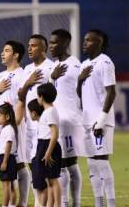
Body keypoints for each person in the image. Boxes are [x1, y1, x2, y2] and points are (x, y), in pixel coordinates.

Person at [77, 29, 116, 207]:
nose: (85, 43)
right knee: (91, 164)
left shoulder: (105, 63)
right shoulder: (84, 64)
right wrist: (79, 80)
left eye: (89, 41)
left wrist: (101, 119)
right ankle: (98, 202)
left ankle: (111, 203)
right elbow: (81, 95)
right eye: (84, 40)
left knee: (101, 162)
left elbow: (111, 92)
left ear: (99, 42)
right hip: (86, 121)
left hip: (99, 122)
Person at [0, 40, 29, 207]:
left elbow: (22, 100)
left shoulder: (22, 74)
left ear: (16, 54)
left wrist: (16, 123)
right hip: (0, 127)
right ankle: (10, 202)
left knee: (19, 163)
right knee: (6, 164)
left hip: (14, 126)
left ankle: (23, 202)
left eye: (6, 50)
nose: (2, 53)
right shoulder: (0, 75)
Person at [18, 34, 53, 207]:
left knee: (47, 165)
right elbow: (20, 96)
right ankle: (39, 202)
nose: (30, 49)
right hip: (29, 126)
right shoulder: (26, 69)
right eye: (29, 45)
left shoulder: (51, 68)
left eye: (34, 45)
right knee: (33, 165)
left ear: (43, 48)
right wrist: (27, 83)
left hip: (45, 126)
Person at [48, 29, 83, 207]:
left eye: (54, 43)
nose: (51, 46)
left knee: (65, 163)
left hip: (70, 121)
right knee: (66, 163)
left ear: (65, 43)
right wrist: (51, 78)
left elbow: (82, 92)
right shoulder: (55, 66)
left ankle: (69, 203)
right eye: (50, 42)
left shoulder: (74, 65)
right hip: (58, 121)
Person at [29, 83, 62, 207]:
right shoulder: (48, 111)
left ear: (41, 97)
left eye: (38, 96)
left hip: (48, 146)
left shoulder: (50, 112)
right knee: (49, 179)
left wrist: (48, 153)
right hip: (44, 145)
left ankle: (57, 205)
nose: (38, 99)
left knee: (53, 179)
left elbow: (54, 134)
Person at [0, 103, 19, 207]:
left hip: (6, 158)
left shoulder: (8, 129)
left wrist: (4, 161)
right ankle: (11, 205)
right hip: (7, 158)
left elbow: (8, 144)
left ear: (7, 116)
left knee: (6, 186)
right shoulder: (6, 128)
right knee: (11, 186)